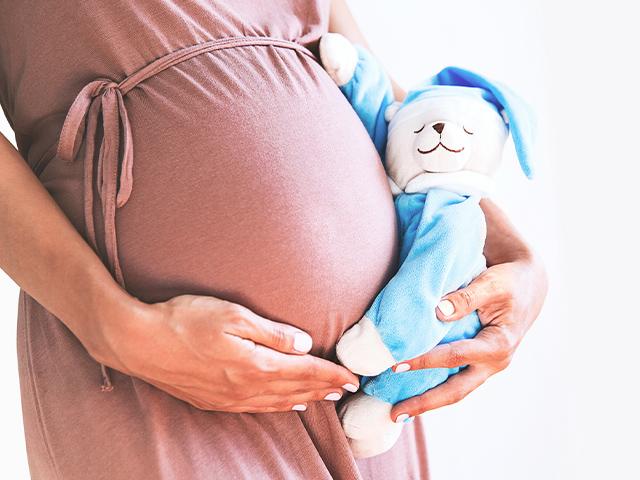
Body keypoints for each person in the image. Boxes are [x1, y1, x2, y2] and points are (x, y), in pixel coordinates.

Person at [0, 1, 547, 478]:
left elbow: (370, 88)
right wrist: (114, 328)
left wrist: (513, 255)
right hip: (157, 361)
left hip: (373, 383)